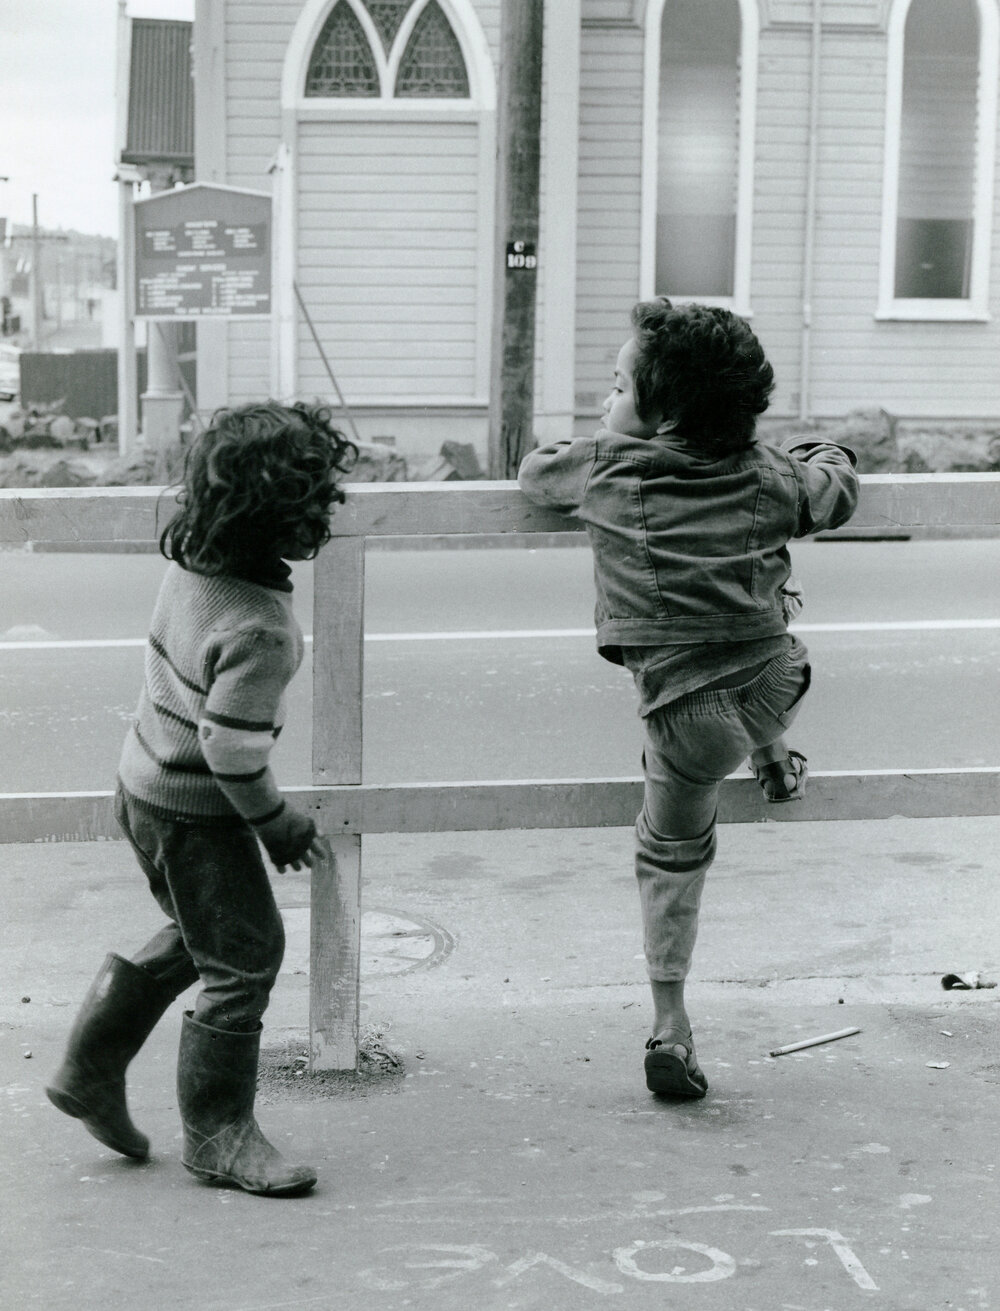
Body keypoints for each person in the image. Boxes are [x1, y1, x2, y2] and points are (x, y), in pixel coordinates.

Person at [518, 300, 859, 1098]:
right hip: (777, 686)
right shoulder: (771, 473)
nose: (606, 402)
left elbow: (537, 473)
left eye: (617, 387)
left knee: (671, 852)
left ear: (659, 411)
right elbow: (835, 488)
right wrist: (821, 449)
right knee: (770, 610)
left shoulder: (606, 467)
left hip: (686, 721)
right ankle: (775, 761)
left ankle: (671, 1020)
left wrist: (608, 440)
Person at [46, 401, 356, 1195]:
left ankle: (91, 1064)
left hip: (143, 788)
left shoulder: (192, 562)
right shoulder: (259, 628)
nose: (328, 510)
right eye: (319, 498)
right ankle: (219, 1131)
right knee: (246, 957)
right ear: (286, 519)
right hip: (195, 812)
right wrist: (278, 823)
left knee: (205, 935)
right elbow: (230, 747)